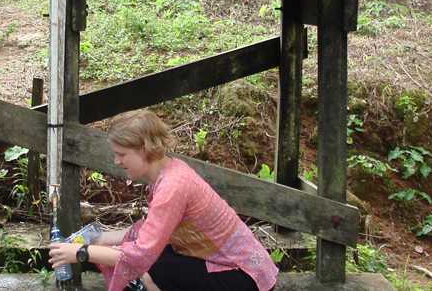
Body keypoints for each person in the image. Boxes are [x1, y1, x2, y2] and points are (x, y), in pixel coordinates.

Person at [47, 110, 279, 291]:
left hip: (245, 277)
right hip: (234, 266)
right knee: (150, 261)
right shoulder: (169, 171)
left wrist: (81, 252)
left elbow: (139, 255)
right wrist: (99, 238)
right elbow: (151, 231)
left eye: (121, 154)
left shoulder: (172, 186)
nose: (116, 161)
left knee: (150, 268)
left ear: (144, 149)